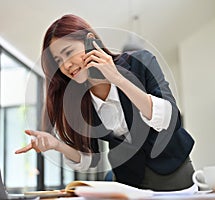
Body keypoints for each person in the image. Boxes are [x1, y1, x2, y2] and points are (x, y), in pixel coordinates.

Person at [16, 14, 195, 191]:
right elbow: (89, 159)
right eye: (59, 61)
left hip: (173, 169)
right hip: (128, 181)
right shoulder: (80, 100)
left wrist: (118, 79)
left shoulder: (141, 62)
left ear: (90, 42)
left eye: (68, 53)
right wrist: (57, 145)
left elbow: (169, 120)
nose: (66, 65)